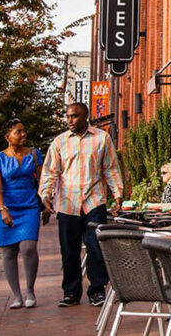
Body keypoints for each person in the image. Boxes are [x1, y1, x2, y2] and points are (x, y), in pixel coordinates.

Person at [39, 102, 123, 308]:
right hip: (67, 203)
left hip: (94, 200)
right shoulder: (59, 142)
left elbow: (111, 168)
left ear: (86, 117)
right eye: (68, 116)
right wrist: (46, 195)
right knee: (69, 250)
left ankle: (97, 290)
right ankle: (71, 292)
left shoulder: (101, 138)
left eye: (74, 116)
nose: (70, 120)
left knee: (95, 247)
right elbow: (50, 172)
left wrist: (118, 194)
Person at [0, 118, 46, 309]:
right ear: (7, 137)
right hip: (7, 208)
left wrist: (46, 203)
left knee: (29, 247)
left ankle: (30, 290)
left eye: (23, 131)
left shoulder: (34, 154)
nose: (23, 134)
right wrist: (3, 209)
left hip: (29, 207)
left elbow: (43, 182)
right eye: (18, 132)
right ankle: (16, 295)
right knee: (9, 251)